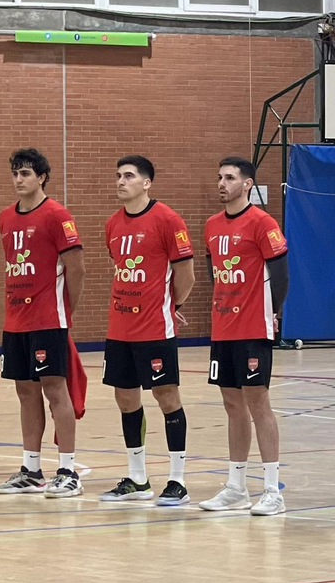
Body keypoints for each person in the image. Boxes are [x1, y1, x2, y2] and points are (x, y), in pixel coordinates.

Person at [100, 155, 196, 506]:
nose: (121, 181)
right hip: (120, 327)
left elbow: (186, 273)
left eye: (128, 176)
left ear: (146, 183)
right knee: (125, 398)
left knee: (166, 396)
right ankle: (138, 478)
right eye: (118, 176)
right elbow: (119, 267)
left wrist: (173, 306)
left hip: (155, 327)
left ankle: (177, 479)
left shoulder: (167, 220)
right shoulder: (112, 224)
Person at [197, 157, 290, 516]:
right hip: (223, 327)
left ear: (247, 184)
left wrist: (274, 311)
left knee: (257, 402)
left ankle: (271, 489)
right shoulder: (211, 225)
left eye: (230, 178)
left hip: (254, 325)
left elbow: (280, 275)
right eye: (219, 177)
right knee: (231, 404)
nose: (222, 183)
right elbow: (212, 269)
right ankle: (236, 486)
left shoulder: (263, 223)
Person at [0, 147, 87, 499]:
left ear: (42, 177)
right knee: (24, 392)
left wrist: (66, 311)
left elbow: (76, 268)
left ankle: (68, 470)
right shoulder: (5, 217)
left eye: (26, 173)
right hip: (15, 319)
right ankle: (31, 470)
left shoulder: (56, 215)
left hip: (49, 318)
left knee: (55, 390)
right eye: (15, 173)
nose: (19, 180)